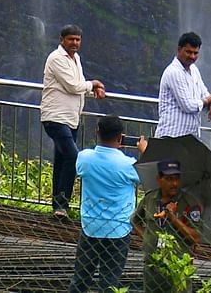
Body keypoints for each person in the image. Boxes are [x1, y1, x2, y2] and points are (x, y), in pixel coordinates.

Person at [67, 115, 147, 293]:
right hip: (118, 229)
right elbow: (150, 177)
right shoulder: (129, 165)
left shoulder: (84, 158)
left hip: (91, 226)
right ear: (121, 138)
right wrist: (145, 153)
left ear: (97, 133)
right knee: (109, 281)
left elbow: (80, 171)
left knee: (81, 278)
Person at [40, 24, 107, 219]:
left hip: (71, 118)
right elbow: (72, 85)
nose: (75, 43)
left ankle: (58, 206)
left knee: (62, 160)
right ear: (62, 40)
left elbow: (78, 84)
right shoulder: (55, 58)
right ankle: (62, 205)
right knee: (72, 156)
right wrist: (93, 84)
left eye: (77, 39)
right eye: (71, 39)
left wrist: (92, 89)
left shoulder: (75, 58)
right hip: (55, 117)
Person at [135, 157, 204, 293]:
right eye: (169, 179)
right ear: (159, 179)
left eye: (177, 178)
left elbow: (195, 238)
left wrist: (173, 218)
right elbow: (135, 220)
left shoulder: (189, 203)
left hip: (178, 269)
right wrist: (146, 237)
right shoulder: (150, 199)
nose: (174, 183)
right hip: (153, 267)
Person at [156, 32, 211, 140]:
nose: (192, 56)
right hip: (171, 135)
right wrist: (209, 100)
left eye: (196, 53)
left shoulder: (194, 70)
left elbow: (204, 93)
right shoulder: (173, 72)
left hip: (189, 136)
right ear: (179, 49)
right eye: (188, 52)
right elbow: (188, 106)